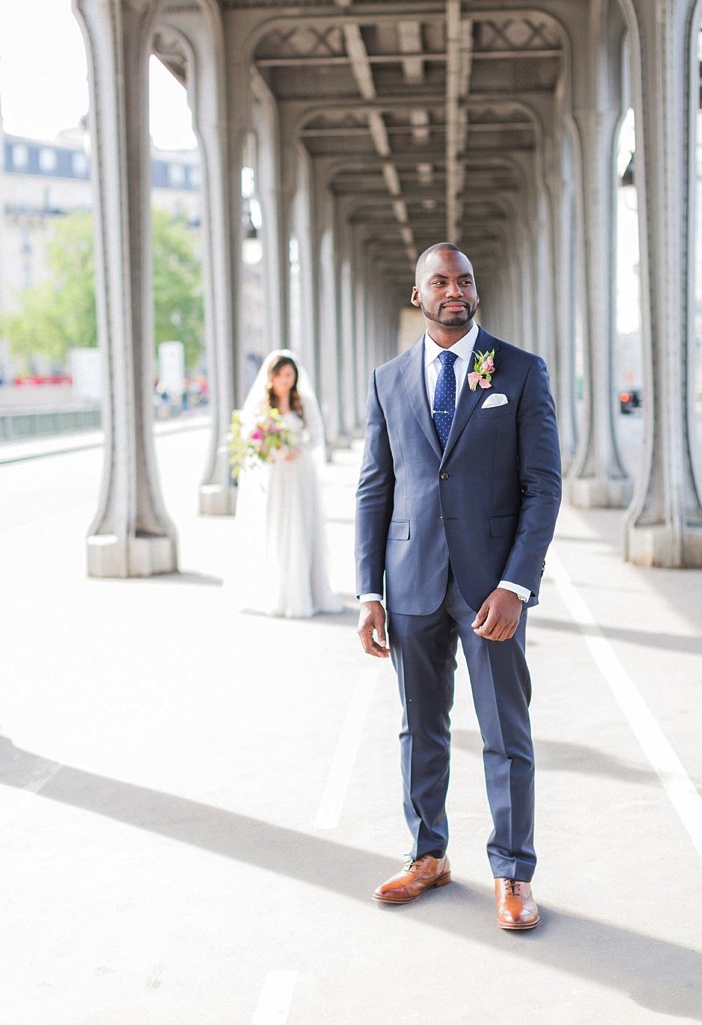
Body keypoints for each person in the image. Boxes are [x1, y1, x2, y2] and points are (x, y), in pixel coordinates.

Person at [355, 242, 562, 931]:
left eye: (464, 280)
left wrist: (515, 585)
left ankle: (513, 873)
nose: (454, 291)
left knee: (506, 729)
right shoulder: (388, 380)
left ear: (475, 291)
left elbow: (543, 489)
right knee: (420, 728)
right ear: (417, 295)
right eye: (440, 281)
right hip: (411, 581)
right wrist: (369, 593)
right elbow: (374, 491)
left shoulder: (519, 372)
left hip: (489, 587)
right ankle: (427, 855)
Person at [225, 349, 340, 619]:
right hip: (276, 475)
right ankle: (277, 588)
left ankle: (305, 589)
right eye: (280, 375)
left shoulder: (303, 404)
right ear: (271, 377)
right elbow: (252, 439)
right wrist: (274, 452)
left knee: (301, 525)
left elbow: (316, 436)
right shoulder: (262, 407)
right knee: (277, 527)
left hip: (300, 474)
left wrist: (297, 450)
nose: (284, 380)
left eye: (289, 375)